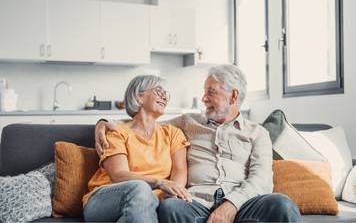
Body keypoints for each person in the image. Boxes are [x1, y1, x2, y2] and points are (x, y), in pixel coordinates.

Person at [96, 65, 301, 223]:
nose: (203, 98)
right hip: (196, 203)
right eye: (204, 92)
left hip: (243, 203)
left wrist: (231, 205)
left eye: (211, 92)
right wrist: (104, 123)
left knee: (282, 204)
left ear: (233, 96)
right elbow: (143, 125)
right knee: (170, 208)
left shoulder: (257, 133)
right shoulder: (187, 122)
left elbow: (262, 179)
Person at [83, 75, 191, 223]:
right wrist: (159, 183)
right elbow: (118, 175)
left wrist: (172, 194)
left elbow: (180, 171)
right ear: (139, 97)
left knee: (138, 206)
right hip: (104, 200)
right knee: (140, 188)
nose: (165, 97)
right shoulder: (117, 133)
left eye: (166, 94)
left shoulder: (173, 133)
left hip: (145, 205)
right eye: (159, 91)